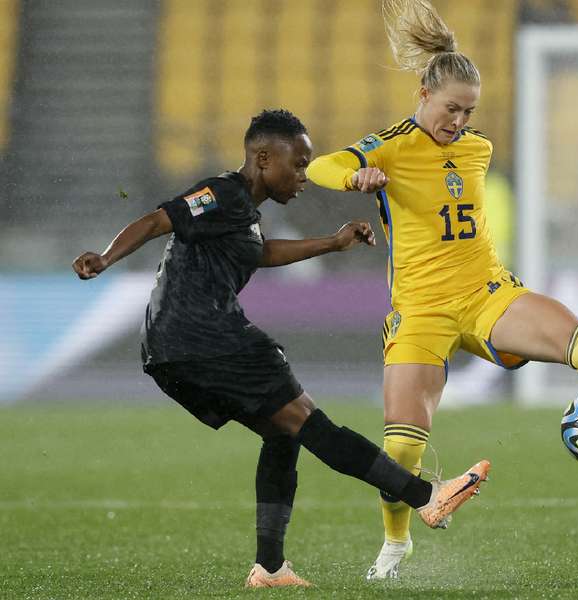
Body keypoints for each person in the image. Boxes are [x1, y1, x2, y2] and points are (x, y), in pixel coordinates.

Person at [307, 0, 578, 581]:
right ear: (422, 94)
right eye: (450, 108)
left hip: (488, 293)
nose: (458, 121)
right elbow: (320, 166)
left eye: (468, 111)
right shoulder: (390, 145)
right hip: (421, 311)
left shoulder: (478, 149)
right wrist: (354, 174)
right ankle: (395, 542)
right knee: (402, 451)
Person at [71, 109, 490, 589]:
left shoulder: (241, 213)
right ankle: (425, 497)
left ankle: (269, 569)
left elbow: (260, 252)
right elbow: (158, 219)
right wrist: (105, 258)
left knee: (283, 434)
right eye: (298, 164)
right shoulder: (223, 193)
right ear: (263, 158)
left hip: (174, 349)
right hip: (206, 337)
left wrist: (332, 244)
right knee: (312, 424)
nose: (304, 176)